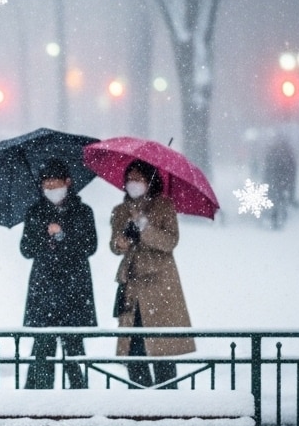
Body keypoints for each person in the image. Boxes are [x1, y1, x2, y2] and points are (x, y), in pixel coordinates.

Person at [110, 159, 194, 388]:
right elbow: (115, 245)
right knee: (133, 352)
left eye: (138, 179)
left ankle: (167, 405)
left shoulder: (164, 207)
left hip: (160, 287)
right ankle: (141, 403)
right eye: (130, 179)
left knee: (161, 350)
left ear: (150, 181)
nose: (133, 183)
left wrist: (145, 228)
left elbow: (170, 242)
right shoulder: (121, 211)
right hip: (132, 288)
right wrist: (123, 241)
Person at [20, 158, 97, 389]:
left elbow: (89, 246)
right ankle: (38, 399)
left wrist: (64, 236)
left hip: (74, 288)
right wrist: (45, 237)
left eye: (55, 185)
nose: (51, 190)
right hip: (44, 288)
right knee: (43, 348)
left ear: (67, 182)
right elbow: (26, 248)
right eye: (47, 186)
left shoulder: (82, 212)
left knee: (73, 350)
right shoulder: (35, 212)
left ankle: (78, 398)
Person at [263, 134, 298, 230]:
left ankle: (276, 217)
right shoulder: (287, 153)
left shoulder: (273, 152)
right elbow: (292, 168)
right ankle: (279, 217)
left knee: (276, 200)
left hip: (276, 180)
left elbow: (268, 167)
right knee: (279, 200)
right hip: (282, 181)